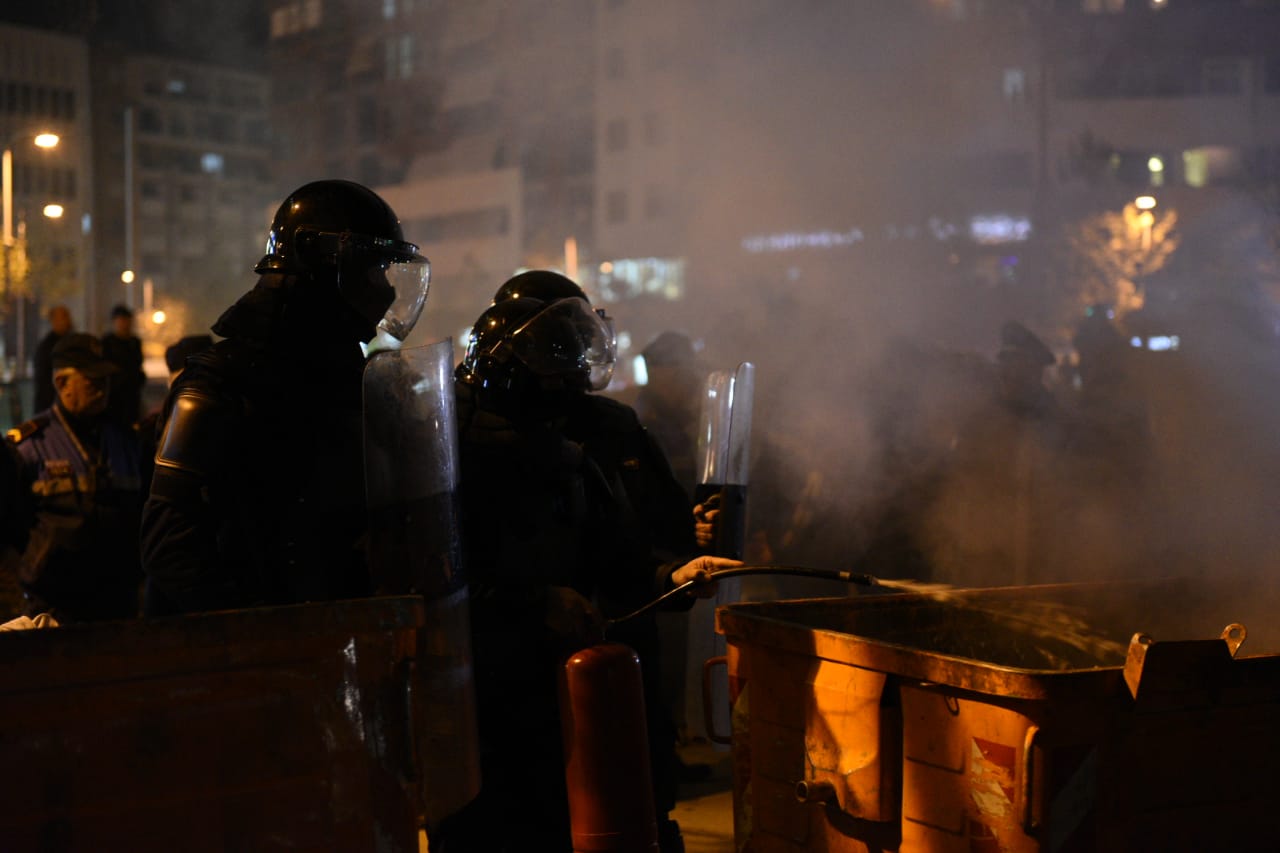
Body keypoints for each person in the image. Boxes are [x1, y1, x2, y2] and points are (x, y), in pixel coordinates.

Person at [441, 270, 734, 853]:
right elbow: (433, 585)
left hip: (604, 676)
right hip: (495, 704)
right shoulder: (450, 446)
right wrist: (532, 605)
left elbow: (622, 556)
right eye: (557, 345)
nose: (572, 363)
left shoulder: (596, 439)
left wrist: (674, 572)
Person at [139, 180, 431, 616]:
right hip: (251, 648)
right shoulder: (219, 386)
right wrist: (270, 632)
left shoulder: (344, 381)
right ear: (325, 266)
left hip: (343, 635)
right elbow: (170, 549)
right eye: (374, 270)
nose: (386, 290)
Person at [2, 333, 144, 622]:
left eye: (106, 380)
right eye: (93, 381)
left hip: (119, 603)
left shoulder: (127, 442)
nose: (103, 389)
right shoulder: (28, 447)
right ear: (61, 383)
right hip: (53, 606)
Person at [101, 304, 147, 426]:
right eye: (121, 320)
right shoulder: (107, 342)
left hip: (131, 392)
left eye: (126, 320)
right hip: (114, 393)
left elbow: (138, 363)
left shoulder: (134, 342)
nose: (124, 324)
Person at [32, 304, 73, 415]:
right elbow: (43, 381)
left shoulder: (68, 341)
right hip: (51, 406)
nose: (68, 320)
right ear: (53, 320)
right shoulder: (47, 347)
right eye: (64, 316)